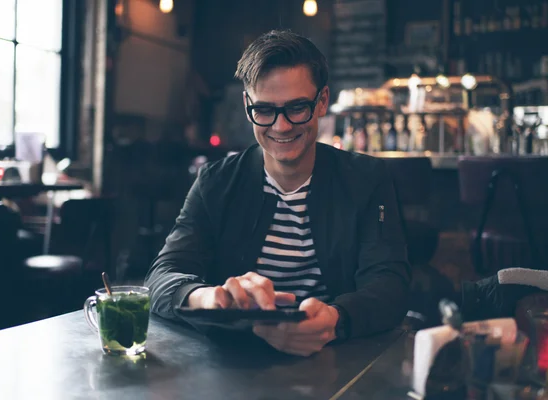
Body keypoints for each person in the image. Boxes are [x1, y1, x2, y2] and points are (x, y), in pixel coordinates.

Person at [145, 30, 411, 356]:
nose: (281, 127)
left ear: (322, 101)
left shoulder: (367, 179)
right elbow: (160, 277)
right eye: (265, 110)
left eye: (297, 108)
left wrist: (336, 318)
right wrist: (206, 298)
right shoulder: (215, 182)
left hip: (336, 355)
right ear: (247, 105)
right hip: (234, 362)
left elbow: (390, 285)